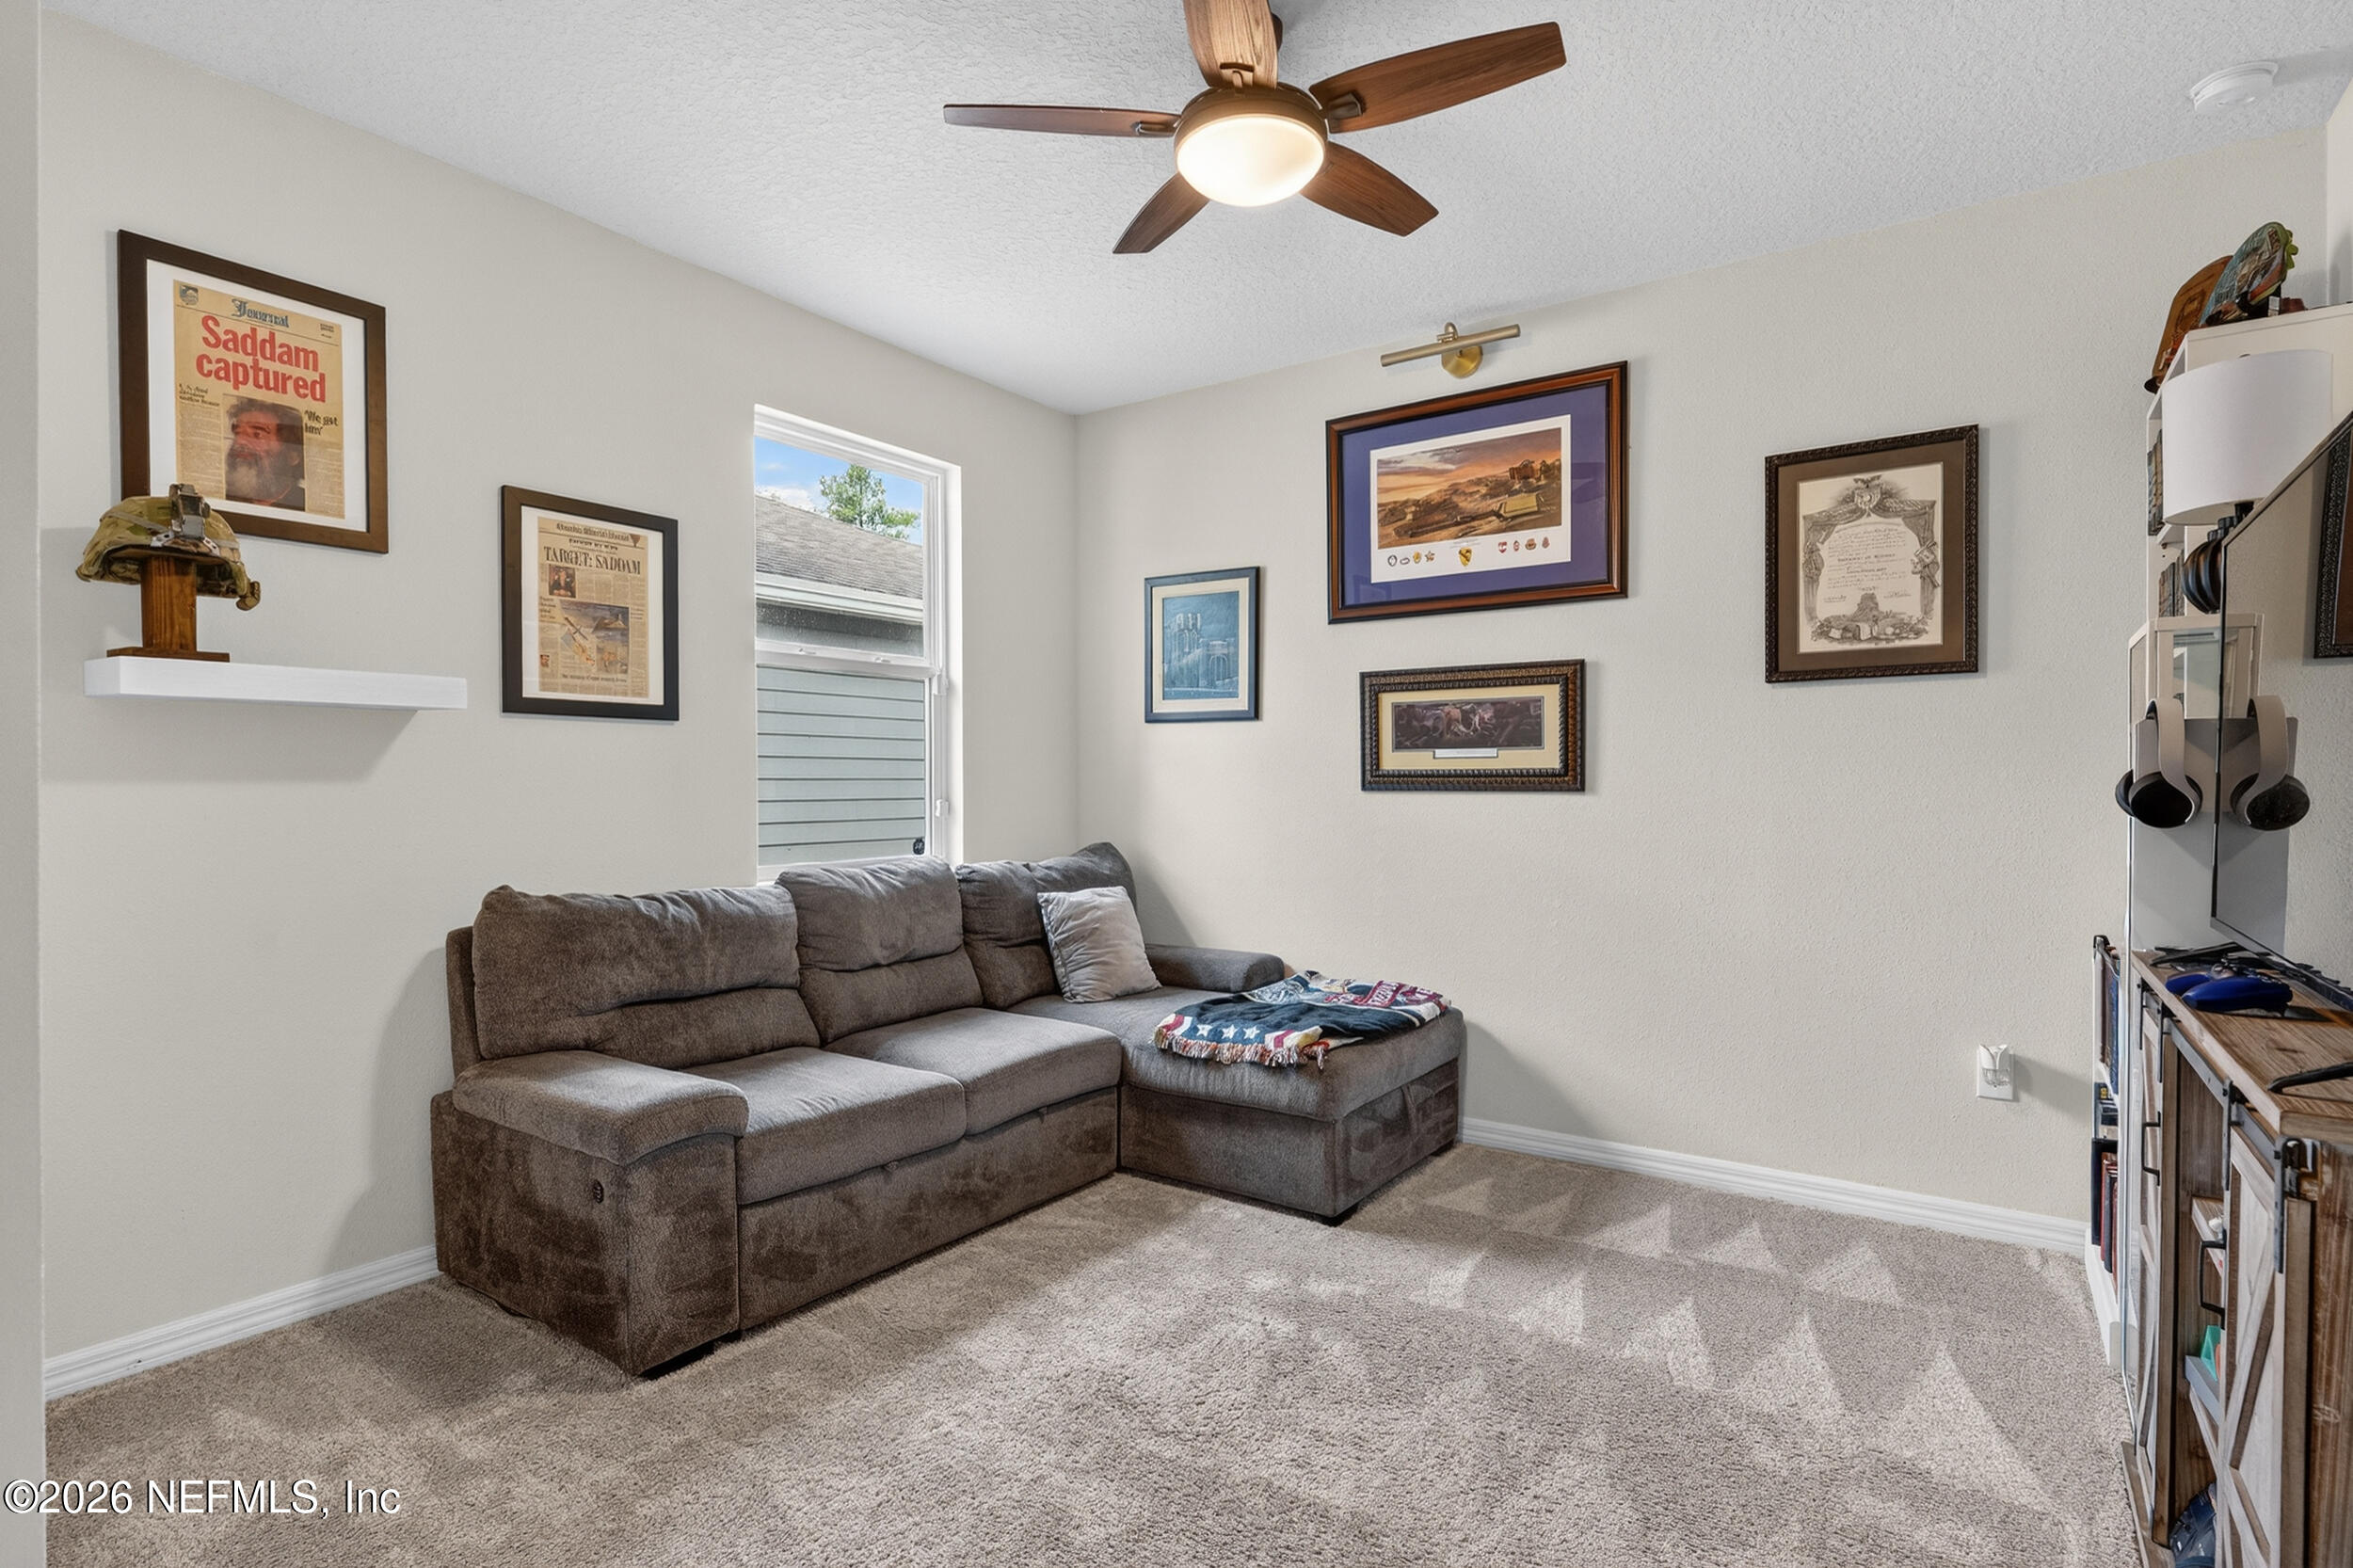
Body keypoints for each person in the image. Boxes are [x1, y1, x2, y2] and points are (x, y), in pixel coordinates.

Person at [222, 399, 307, 511]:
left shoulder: (303, 504)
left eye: (257, 434)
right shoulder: (222, 499)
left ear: (293, 456)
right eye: (237, 433)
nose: (239, 441)